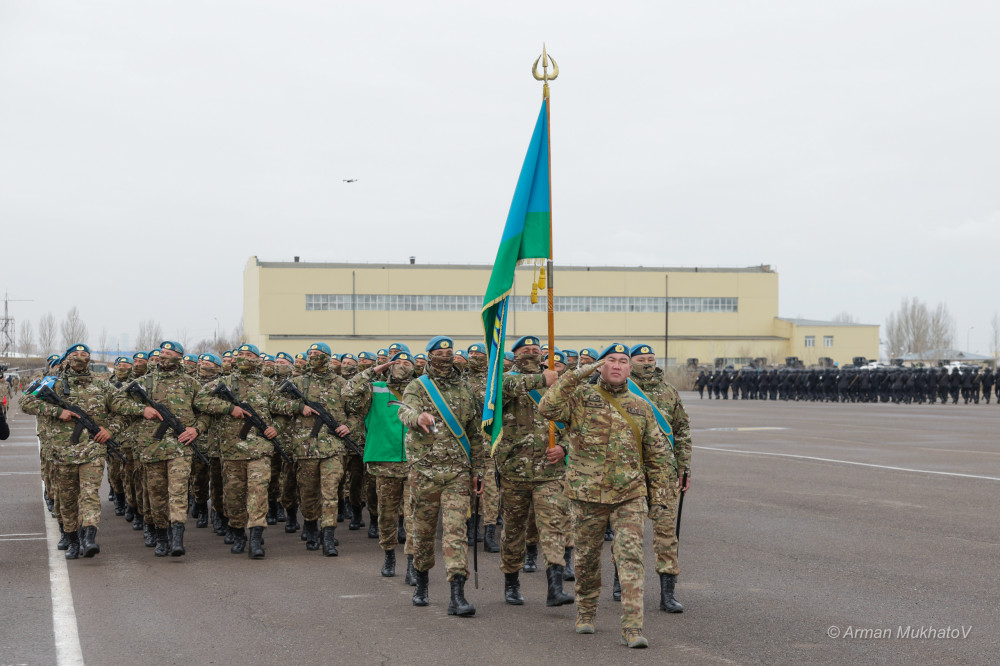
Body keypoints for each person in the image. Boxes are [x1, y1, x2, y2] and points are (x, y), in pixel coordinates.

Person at [538, 343, 674, 649]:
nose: (616, 365)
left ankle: (632, 627)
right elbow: (547, 408)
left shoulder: (641, 406)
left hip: (629, 495)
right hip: (587, 495)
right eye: (610, 360)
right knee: (586, 561)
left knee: (630, 558)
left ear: (629, 368)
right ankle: (586, 612)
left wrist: (660, 498)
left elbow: (655, 456)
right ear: (600, 366)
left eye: (623, 361)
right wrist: (576, 374)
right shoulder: (580, 397)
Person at [395, 336, 485, 616]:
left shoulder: (465, 387)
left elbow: (474, 432)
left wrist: (477, 470)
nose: (445, 357)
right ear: (429, 356)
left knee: (456, 532)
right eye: (439, 352)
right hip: (425, 472)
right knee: (423, 533)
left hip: (457, 471)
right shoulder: (418, 386)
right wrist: (417, 418)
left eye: (449, 352)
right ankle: (421, 581)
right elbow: (404, 410)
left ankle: (457, 595)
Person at [22, 344, 125, 559]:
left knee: (89, 495)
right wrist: (57, 411)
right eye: (75, 355)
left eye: (84, 354)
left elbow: (123, 411)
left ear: (90, 359)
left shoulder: (102, 385)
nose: (79, 358)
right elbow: (25, 401)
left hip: (93, 451)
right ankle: (71, 538)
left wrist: (109, 430)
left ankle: (89, 537)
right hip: (62, 452)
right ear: (66, 358)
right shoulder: (53, 382)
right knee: (66, 499)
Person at [493, 335, 573, 607]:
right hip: (514, 471)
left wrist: (563, 447)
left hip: (550, 472)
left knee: (553, 527)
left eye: (535, 350)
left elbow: (576, 424)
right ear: (514, 355)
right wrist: (543, 380)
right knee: (514, 530)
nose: (531, 353)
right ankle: (512, 582)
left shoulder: (558, 384)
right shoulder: (503, 380)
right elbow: (505, 389)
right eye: (525, 350)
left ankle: (555, 586)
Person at [115, 341, 210, 557]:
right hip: (151, 448)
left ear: (179, 357)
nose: (163, 356)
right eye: (162, 353)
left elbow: (206, 412)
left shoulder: (191, 384)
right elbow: (117, 403)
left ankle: (177, 538)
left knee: (177, 493)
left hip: (180, 448)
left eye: (169, 353)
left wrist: (196, 429)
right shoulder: (143, 383)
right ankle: (161, 536)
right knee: (156, 496)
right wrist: (142, 410)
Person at [196, 344, 279, 558]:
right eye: (240, 355)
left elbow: (284, 411)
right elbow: (200, 400)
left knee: (258, 493)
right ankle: (238, 532)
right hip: (232, 450)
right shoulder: (223, 383)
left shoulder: (269, 385)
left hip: (260, 450)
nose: (243, 358)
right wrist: (229, 408)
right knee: (233, 497)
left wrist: (275, 428)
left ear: (257, 359)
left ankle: (255, 537)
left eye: (248, 355)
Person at [269, 342, 352, 556]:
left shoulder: (342, 383)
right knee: (307, 493)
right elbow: (274, 403)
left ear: (327, 357)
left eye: (318, 354)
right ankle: (311, 526)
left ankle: (329, 535)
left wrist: (348, 426)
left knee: (330, 492)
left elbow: (358, 411)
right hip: (305, 447)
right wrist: (299, 407)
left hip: (333, 447)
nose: (313, 357)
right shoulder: (297, 382)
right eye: (311, 354)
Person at [628, 344, 690, 613]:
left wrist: (684, 468)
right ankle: (623, 584)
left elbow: (682, 430)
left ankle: (668, 594)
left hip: (664, 475)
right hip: (630, 475)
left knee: (667, 536)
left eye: (651, 359)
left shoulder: (669, 391)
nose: (647, 363)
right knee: (629, 534)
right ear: (630, 363)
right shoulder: (621, 391)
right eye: (641, 359)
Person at [344, 351, 416, 578]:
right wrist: (373, 371)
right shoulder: (375, 388)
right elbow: (347, 395)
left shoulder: (421, 389)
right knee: (387, 514)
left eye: (406, 363)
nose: (401, 366)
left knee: (414, 515)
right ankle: (388, 555)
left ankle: (413, 564)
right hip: (385, 460)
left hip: (416, 461)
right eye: (397, 362)